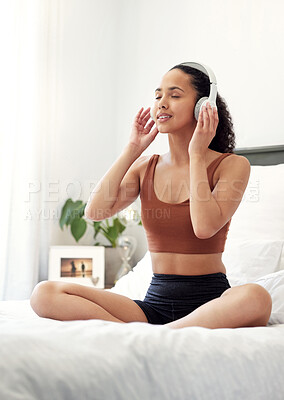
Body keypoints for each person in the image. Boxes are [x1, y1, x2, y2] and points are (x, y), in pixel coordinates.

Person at [30, 62, 272, 329]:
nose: (162, 103)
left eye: (175, 95)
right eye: (158, 96)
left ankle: (160, 335)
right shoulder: (146, 166)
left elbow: (204, 227)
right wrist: (132, 148)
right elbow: (94, 212)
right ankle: (155, 335)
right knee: (45, 293)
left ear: (203, 106)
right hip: (155, 302)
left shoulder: (231, 165)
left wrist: (196, 154)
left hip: (212, 301)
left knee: (257, 298)